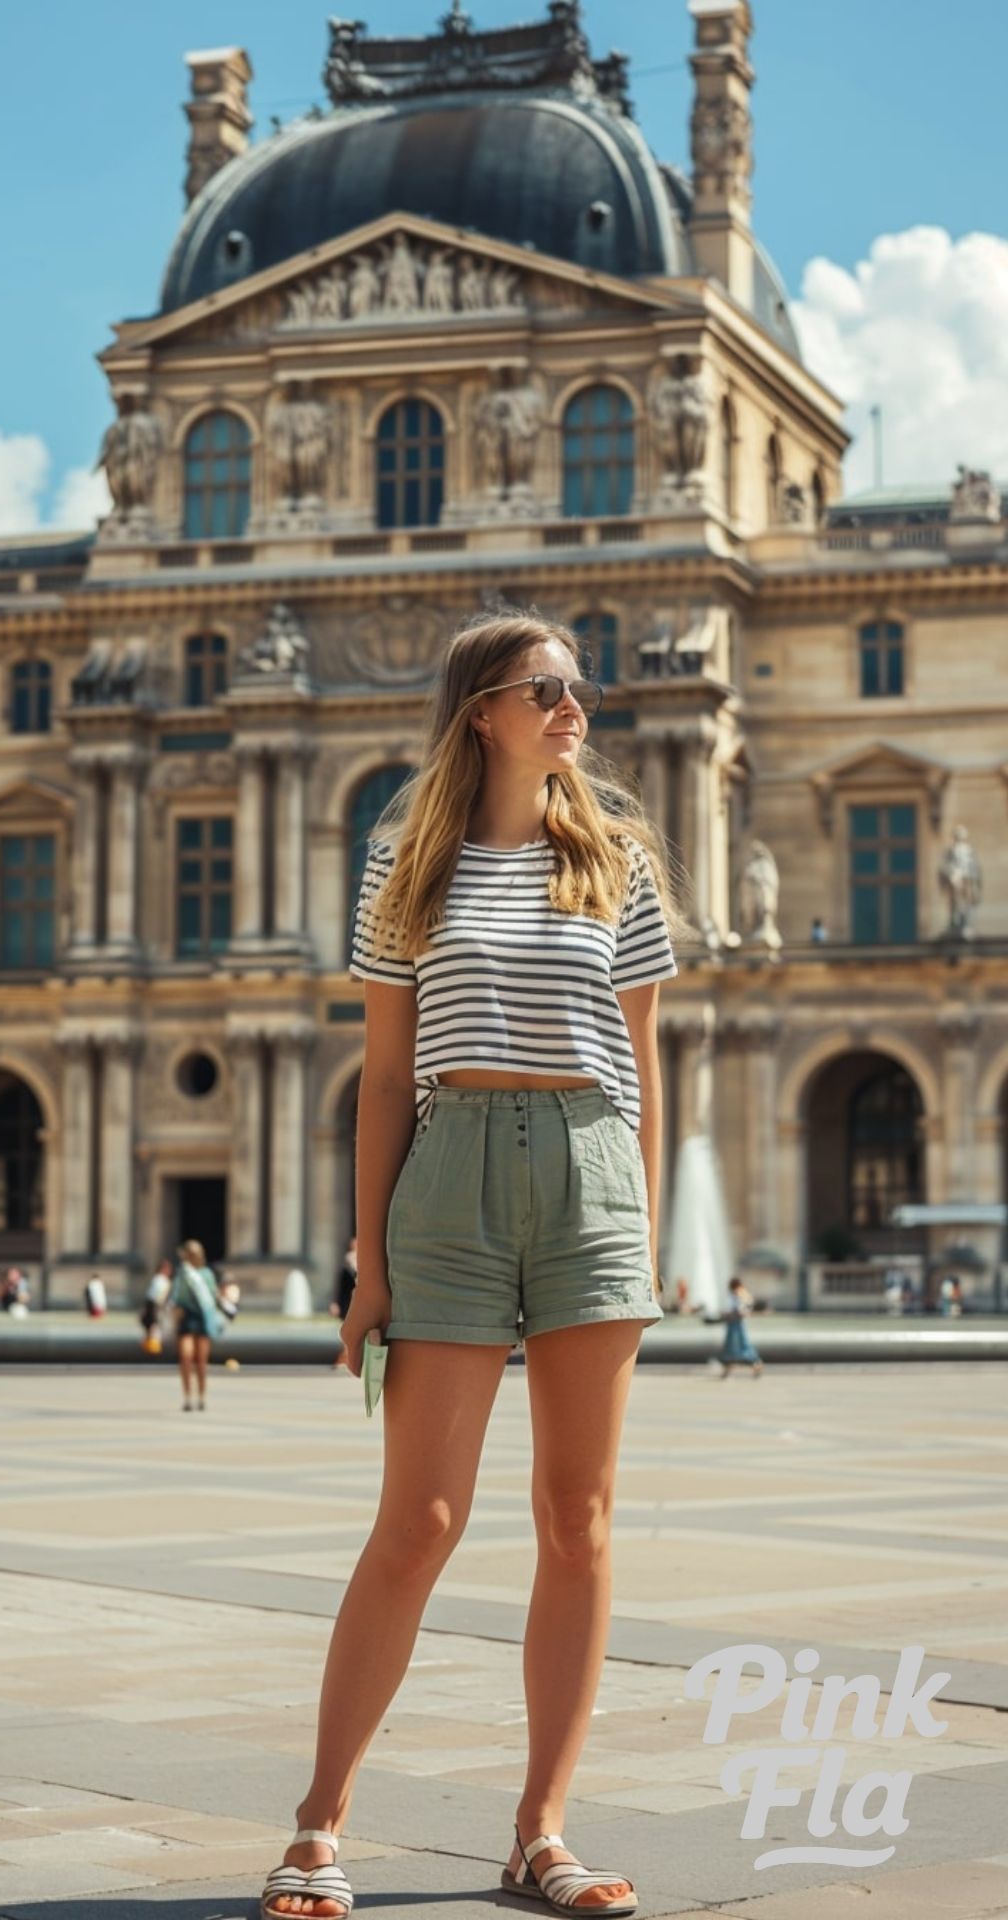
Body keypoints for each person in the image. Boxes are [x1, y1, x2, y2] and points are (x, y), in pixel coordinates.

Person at [258, 607, 686, 1919]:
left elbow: (647, 1064)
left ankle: (540, 1833)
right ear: (482, 709)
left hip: (587, 1169)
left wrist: (646, 1230)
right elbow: (386, 1077)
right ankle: (320, 1823)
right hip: (447, 1172)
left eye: (579, 687)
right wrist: (367, 1263)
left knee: (579, 1521)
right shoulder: (407, 861)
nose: (576, 707)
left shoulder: (620, 858)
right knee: (418, 1525)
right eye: (547, 687)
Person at [170, 1238, 224, 1412]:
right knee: (186, 1358)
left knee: (201, 1361)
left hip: (202, 1318)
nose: (194, 1256)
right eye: (190, 1253)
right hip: (186, 1317)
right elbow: (176, 1298)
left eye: (196, 1253)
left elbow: (213, 1296)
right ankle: (187, 1397)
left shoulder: (206, 1274)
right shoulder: (183, 1274)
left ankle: (201, 1396)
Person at [719, 1277, 763, 1379]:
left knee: (738, 1347)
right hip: (735, 1324)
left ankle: (756, 1365)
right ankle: (727, 1371)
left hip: (736, 1325)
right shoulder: (740, 1294)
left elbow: (742, 1311)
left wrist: (728, 1314)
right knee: (733, 1347)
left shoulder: (739, 1294)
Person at [329, 1235, 358, 1372]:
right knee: (347, 1332)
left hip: (356, 1302)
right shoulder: (347, 1265)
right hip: (347, 1303)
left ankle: (348, 1359)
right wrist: (335, 1303)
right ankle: (344, 1359)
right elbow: (340, 1287)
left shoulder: (361, 1262)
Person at [140, 1257, 174, 1351]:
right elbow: (159, 1296)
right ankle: (152, 1345)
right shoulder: (162, 1280)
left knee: (152, 1325)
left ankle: (149, 1344)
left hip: (153, 1304)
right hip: (156, 1305)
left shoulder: (157, 1278)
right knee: (154, 1325)